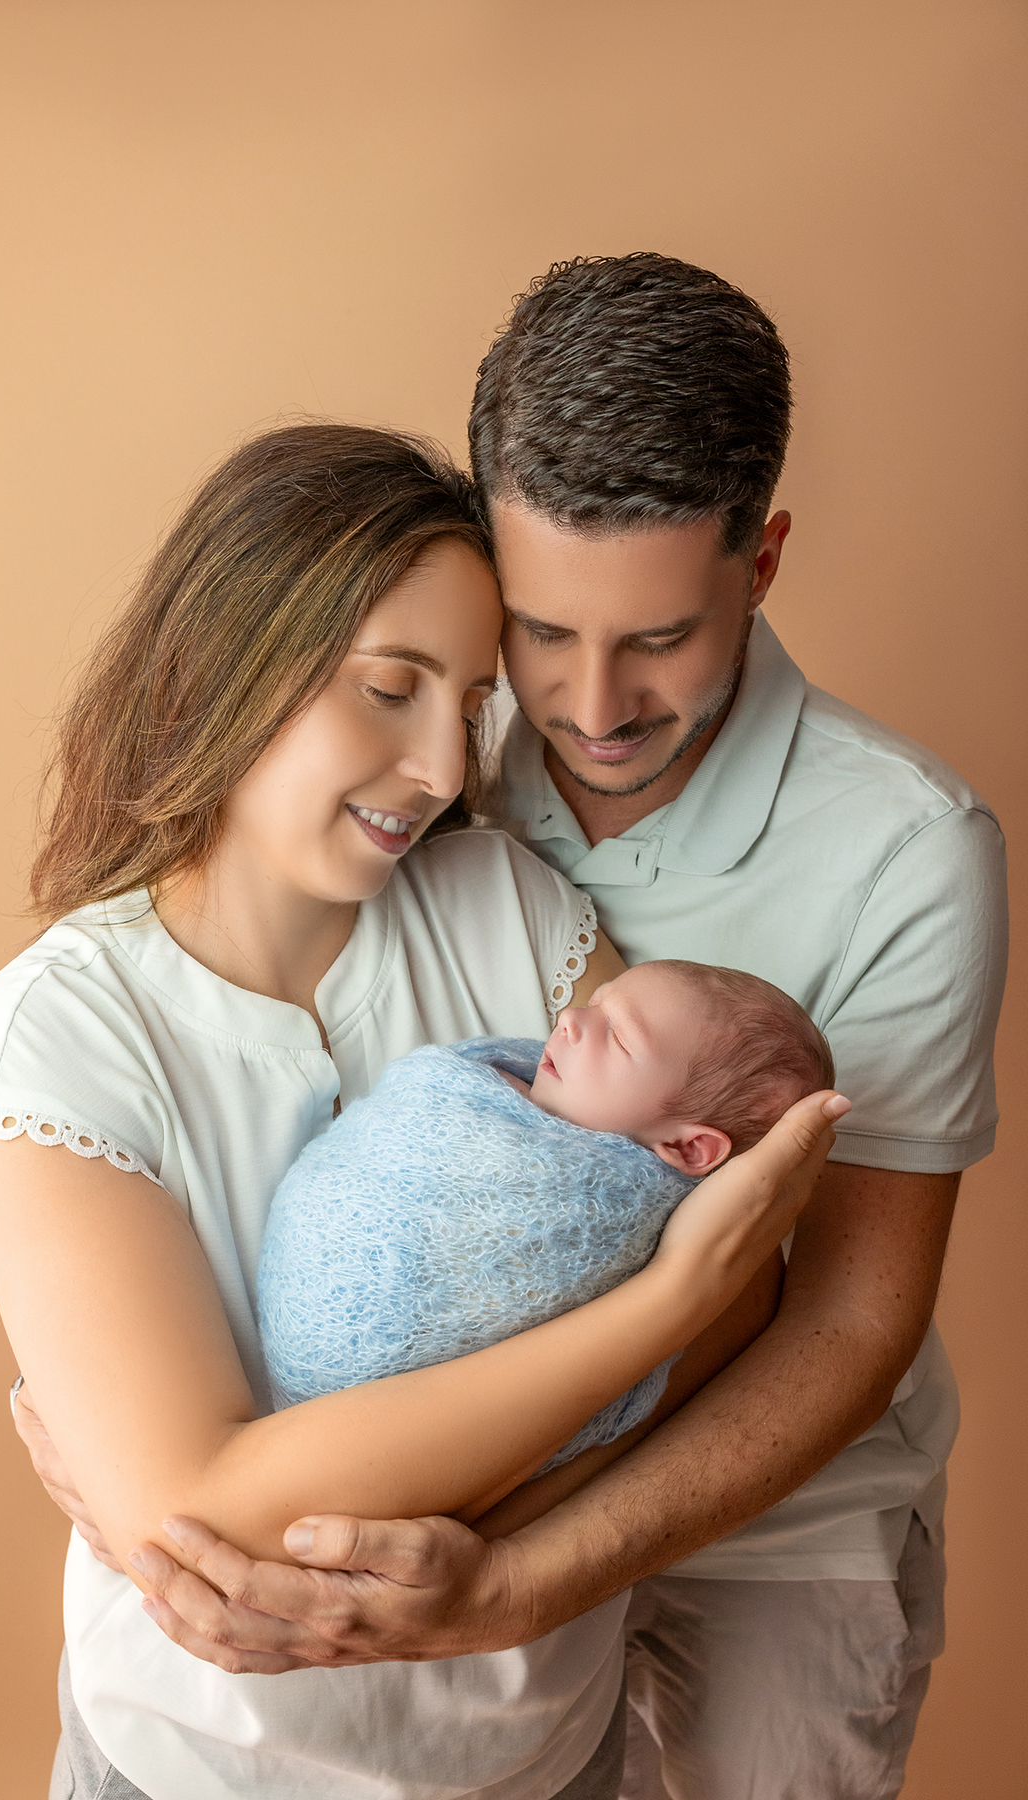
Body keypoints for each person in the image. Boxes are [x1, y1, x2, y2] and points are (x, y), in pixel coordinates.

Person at [94, 259, 1008, 1800]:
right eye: (541, 631)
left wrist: (512, 1579)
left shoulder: (912, 850)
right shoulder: (424, 758)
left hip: (775, 1515)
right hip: (465, 1468)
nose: (589, 704)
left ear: (763, 561)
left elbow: (849, 1319)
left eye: (660, 637)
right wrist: (139, 1464)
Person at [0, 422, 843, 1800]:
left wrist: (491, 1565)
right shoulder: (56, 1040)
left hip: (540, 1749)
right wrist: (663, 1302)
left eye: (469, 706)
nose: (446, 770)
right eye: (391, 688)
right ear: (230, 660)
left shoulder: (506, 910)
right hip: (205, 1768)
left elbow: (744, 1295)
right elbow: (211, 1517)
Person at [259, 961, 836, 1487]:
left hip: (389, 1431)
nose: (570, 1019)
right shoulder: (499, 1076)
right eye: (596, 1002)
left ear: (688, 1149)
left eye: (619, 1037)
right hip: (319, 1413)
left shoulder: (615, 1219)